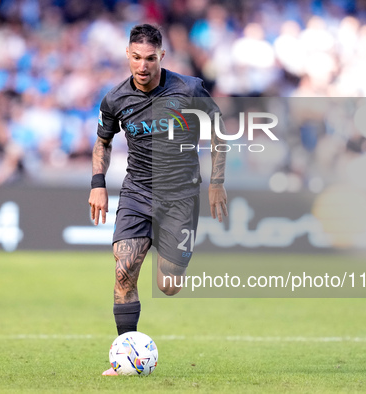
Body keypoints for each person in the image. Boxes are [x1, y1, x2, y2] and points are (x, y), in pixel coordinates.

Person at [88, 24, 227, 376]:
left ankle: (167, 256)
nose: (143, 65)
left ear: (162, 56)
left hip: (180, 196)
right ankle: (126, 359)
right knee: (123, 272)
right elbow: (102, 142)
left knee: (168, 285)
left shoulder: (189, 89)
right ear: (127, 55)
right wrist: (98, 183)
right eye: (136, 57)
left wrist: (216, 183)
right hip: (137, 192)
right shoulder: (115, 99)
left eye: (150, 58)